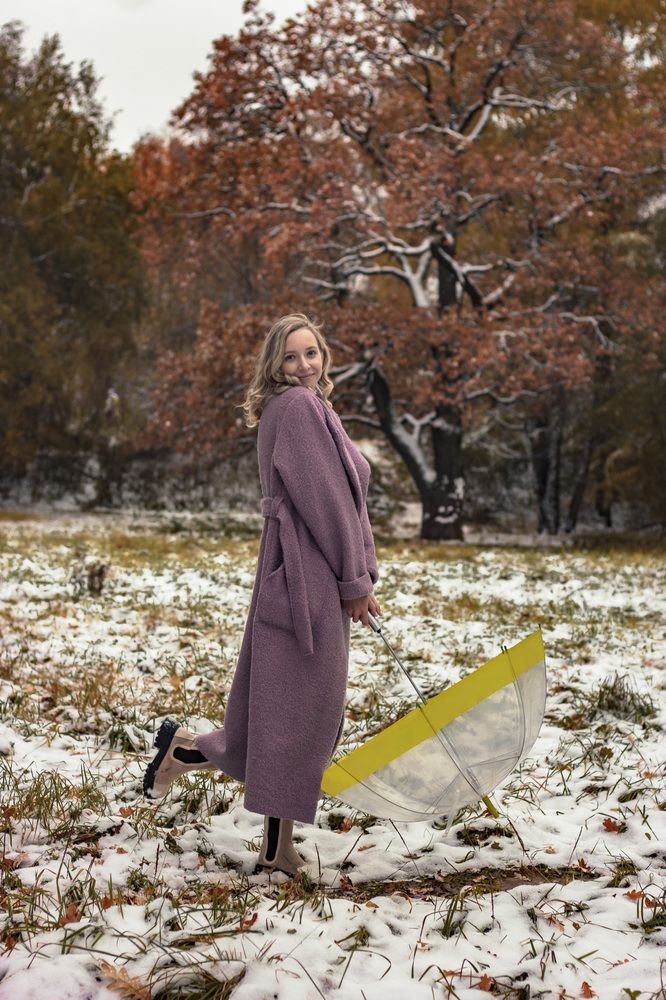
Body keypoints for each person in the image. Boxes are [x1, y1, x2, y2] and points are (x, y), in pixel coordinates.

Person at [142, 313, 381, 877]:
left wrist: (361, 573)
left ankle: (188, 753)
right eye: (291, 356)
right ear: (275, 363)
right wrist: (353, 580)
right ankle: (272, 846)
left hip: (306, 569)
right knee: (299, 715)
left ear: (324, 355)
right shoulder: (297, 408)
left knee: (285, 712)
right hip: (306, 575)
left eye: (311, 353)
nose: (303, 365)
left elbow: (346, 499)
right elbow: (327, 503)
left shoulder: (314, 407)